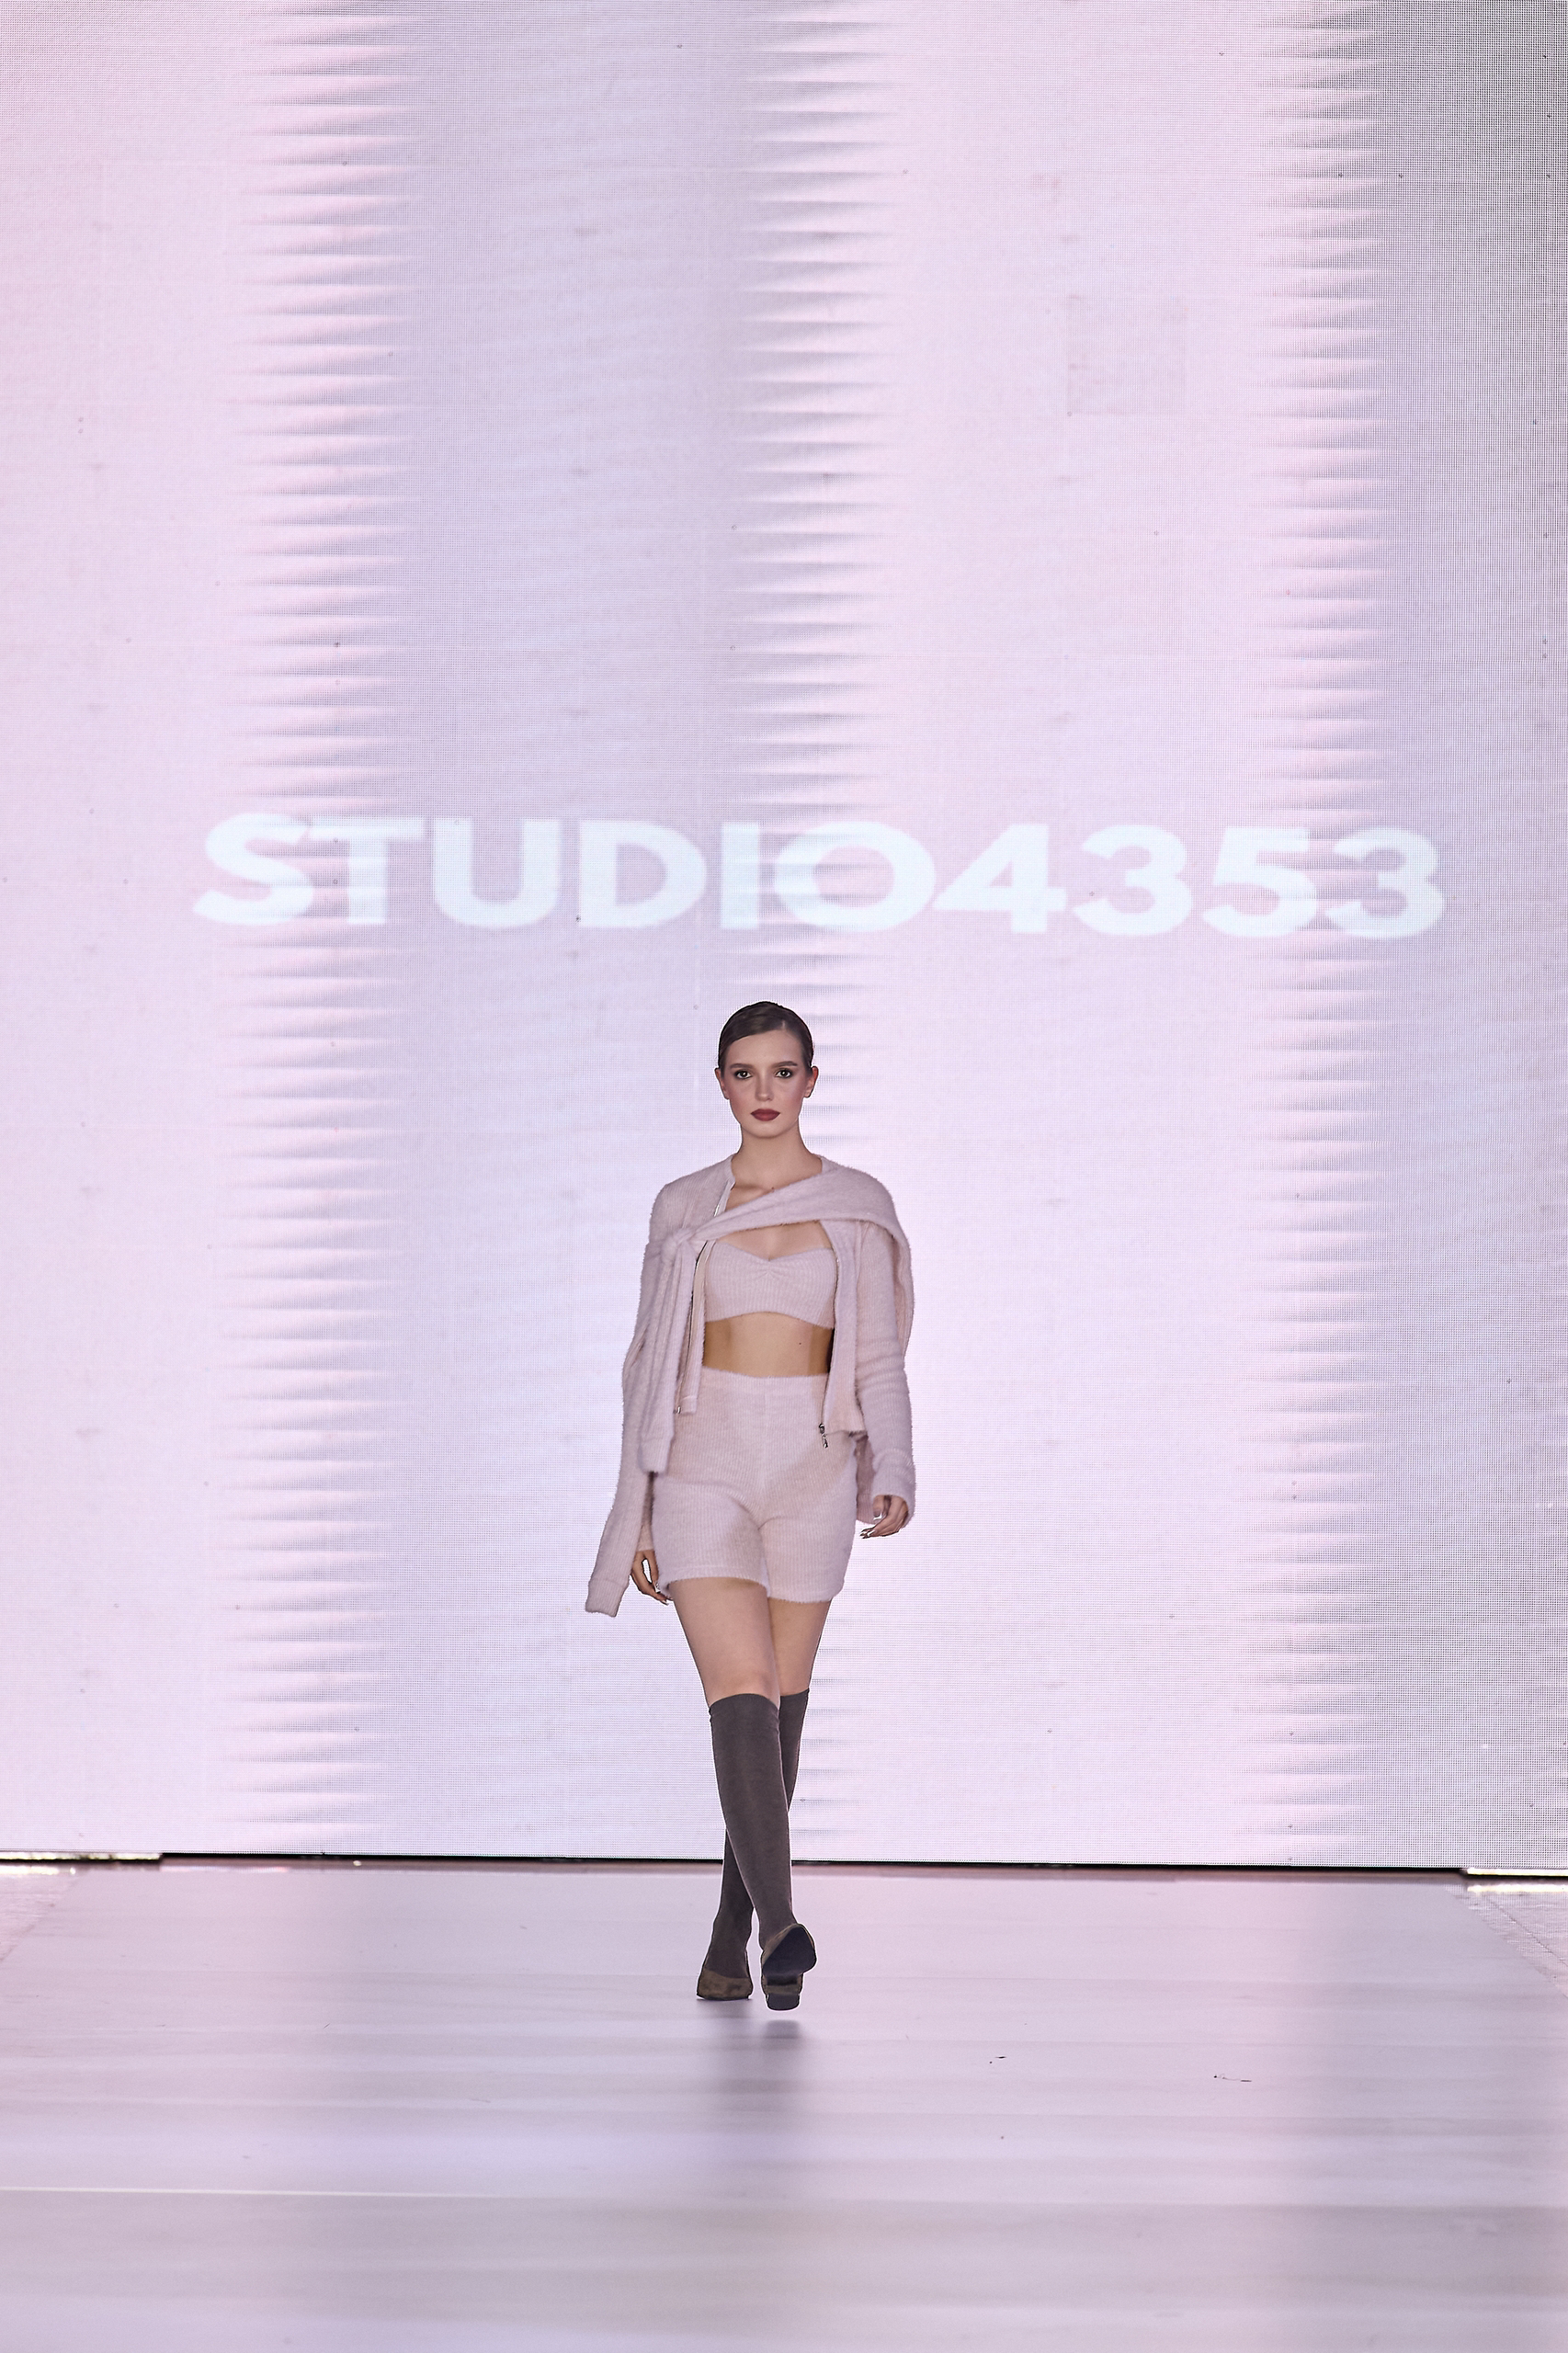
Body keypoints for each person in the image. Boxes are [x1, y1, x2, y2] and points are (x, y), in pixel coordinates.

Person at [585, 1001, 915, 2009]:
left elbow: (877, 1357)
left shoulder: (856, 1206)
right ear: (721, 1084)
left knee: (783, 1700)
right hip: (702, 1456)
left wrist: (895, 1466)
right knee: (740, 1684)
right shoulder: (684, 1205)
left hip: (813, 1465)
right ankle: (783, 1927)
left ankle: (733, 1935)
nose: (764, 1091)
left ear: (811, 1080)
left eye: (782, 1071)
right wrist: (639, 1508)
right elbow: (646, 1360)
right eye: (744, 1072)